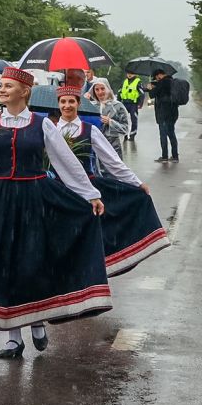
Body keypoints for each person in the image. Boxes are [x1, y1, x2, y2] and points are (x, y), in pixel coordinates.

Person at [0, 69, 110, 360]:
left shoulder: (42, 125)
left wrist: (91, 194)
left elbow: (66, 163)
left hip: (33, 198)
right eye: (1, 86)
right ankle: (13, 338)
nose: (2, 90)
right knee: (4, 263)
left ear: (24, 92)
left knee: (32, 260)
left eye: (9, 86)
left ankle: (36, 320)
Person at [54, 87, 170, 276]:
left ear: (78, 103)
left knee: (86, 234)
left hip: (86, 192)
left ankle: (87, 273)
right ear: (58, 104)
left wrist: (136, 183)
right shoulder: (50, 130)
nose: (67, 106)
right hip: (59, 191)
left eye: (71, 101)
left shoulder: (89, 130)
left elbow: (112, 162)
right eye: (63, 102)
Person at [88, 77, 130, 155]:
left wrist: (111, 122)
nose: (100, 92)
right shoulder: (91, 106)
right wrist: (84, 103)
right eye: (97, 89)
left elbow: (125, 128)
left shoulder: (117, 106)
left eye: (102, 88)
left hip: (113, 147)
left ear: (108, 89)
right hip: (95, 148)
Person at [149, 69, 179, 163]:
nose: (156, 79)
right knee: (171, 134)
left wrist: (151, 88)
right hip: (173, 112)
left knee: (163, 134)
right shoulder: (172, 82)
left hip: (164, 113)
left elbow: (152, 95)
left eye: (156, 77)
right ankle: (175, 156)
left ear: (159, 75)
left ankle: (164, 156)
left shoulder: (162, 83)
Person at [119, 71, 144, 142]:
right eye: (128, 73)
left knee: (134, 120)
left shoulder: (138, 81)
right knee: (123, 120)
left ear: (135, 74)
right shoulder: (124, 82)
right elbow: (119, 92)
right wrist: (118, 102)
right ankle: (125, 134)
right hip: (124, 103)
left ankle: (132, 135)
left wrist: (140, 103)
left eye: (131, 73)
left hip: (133, 104)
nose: (129, 75)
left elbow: (142, 93)